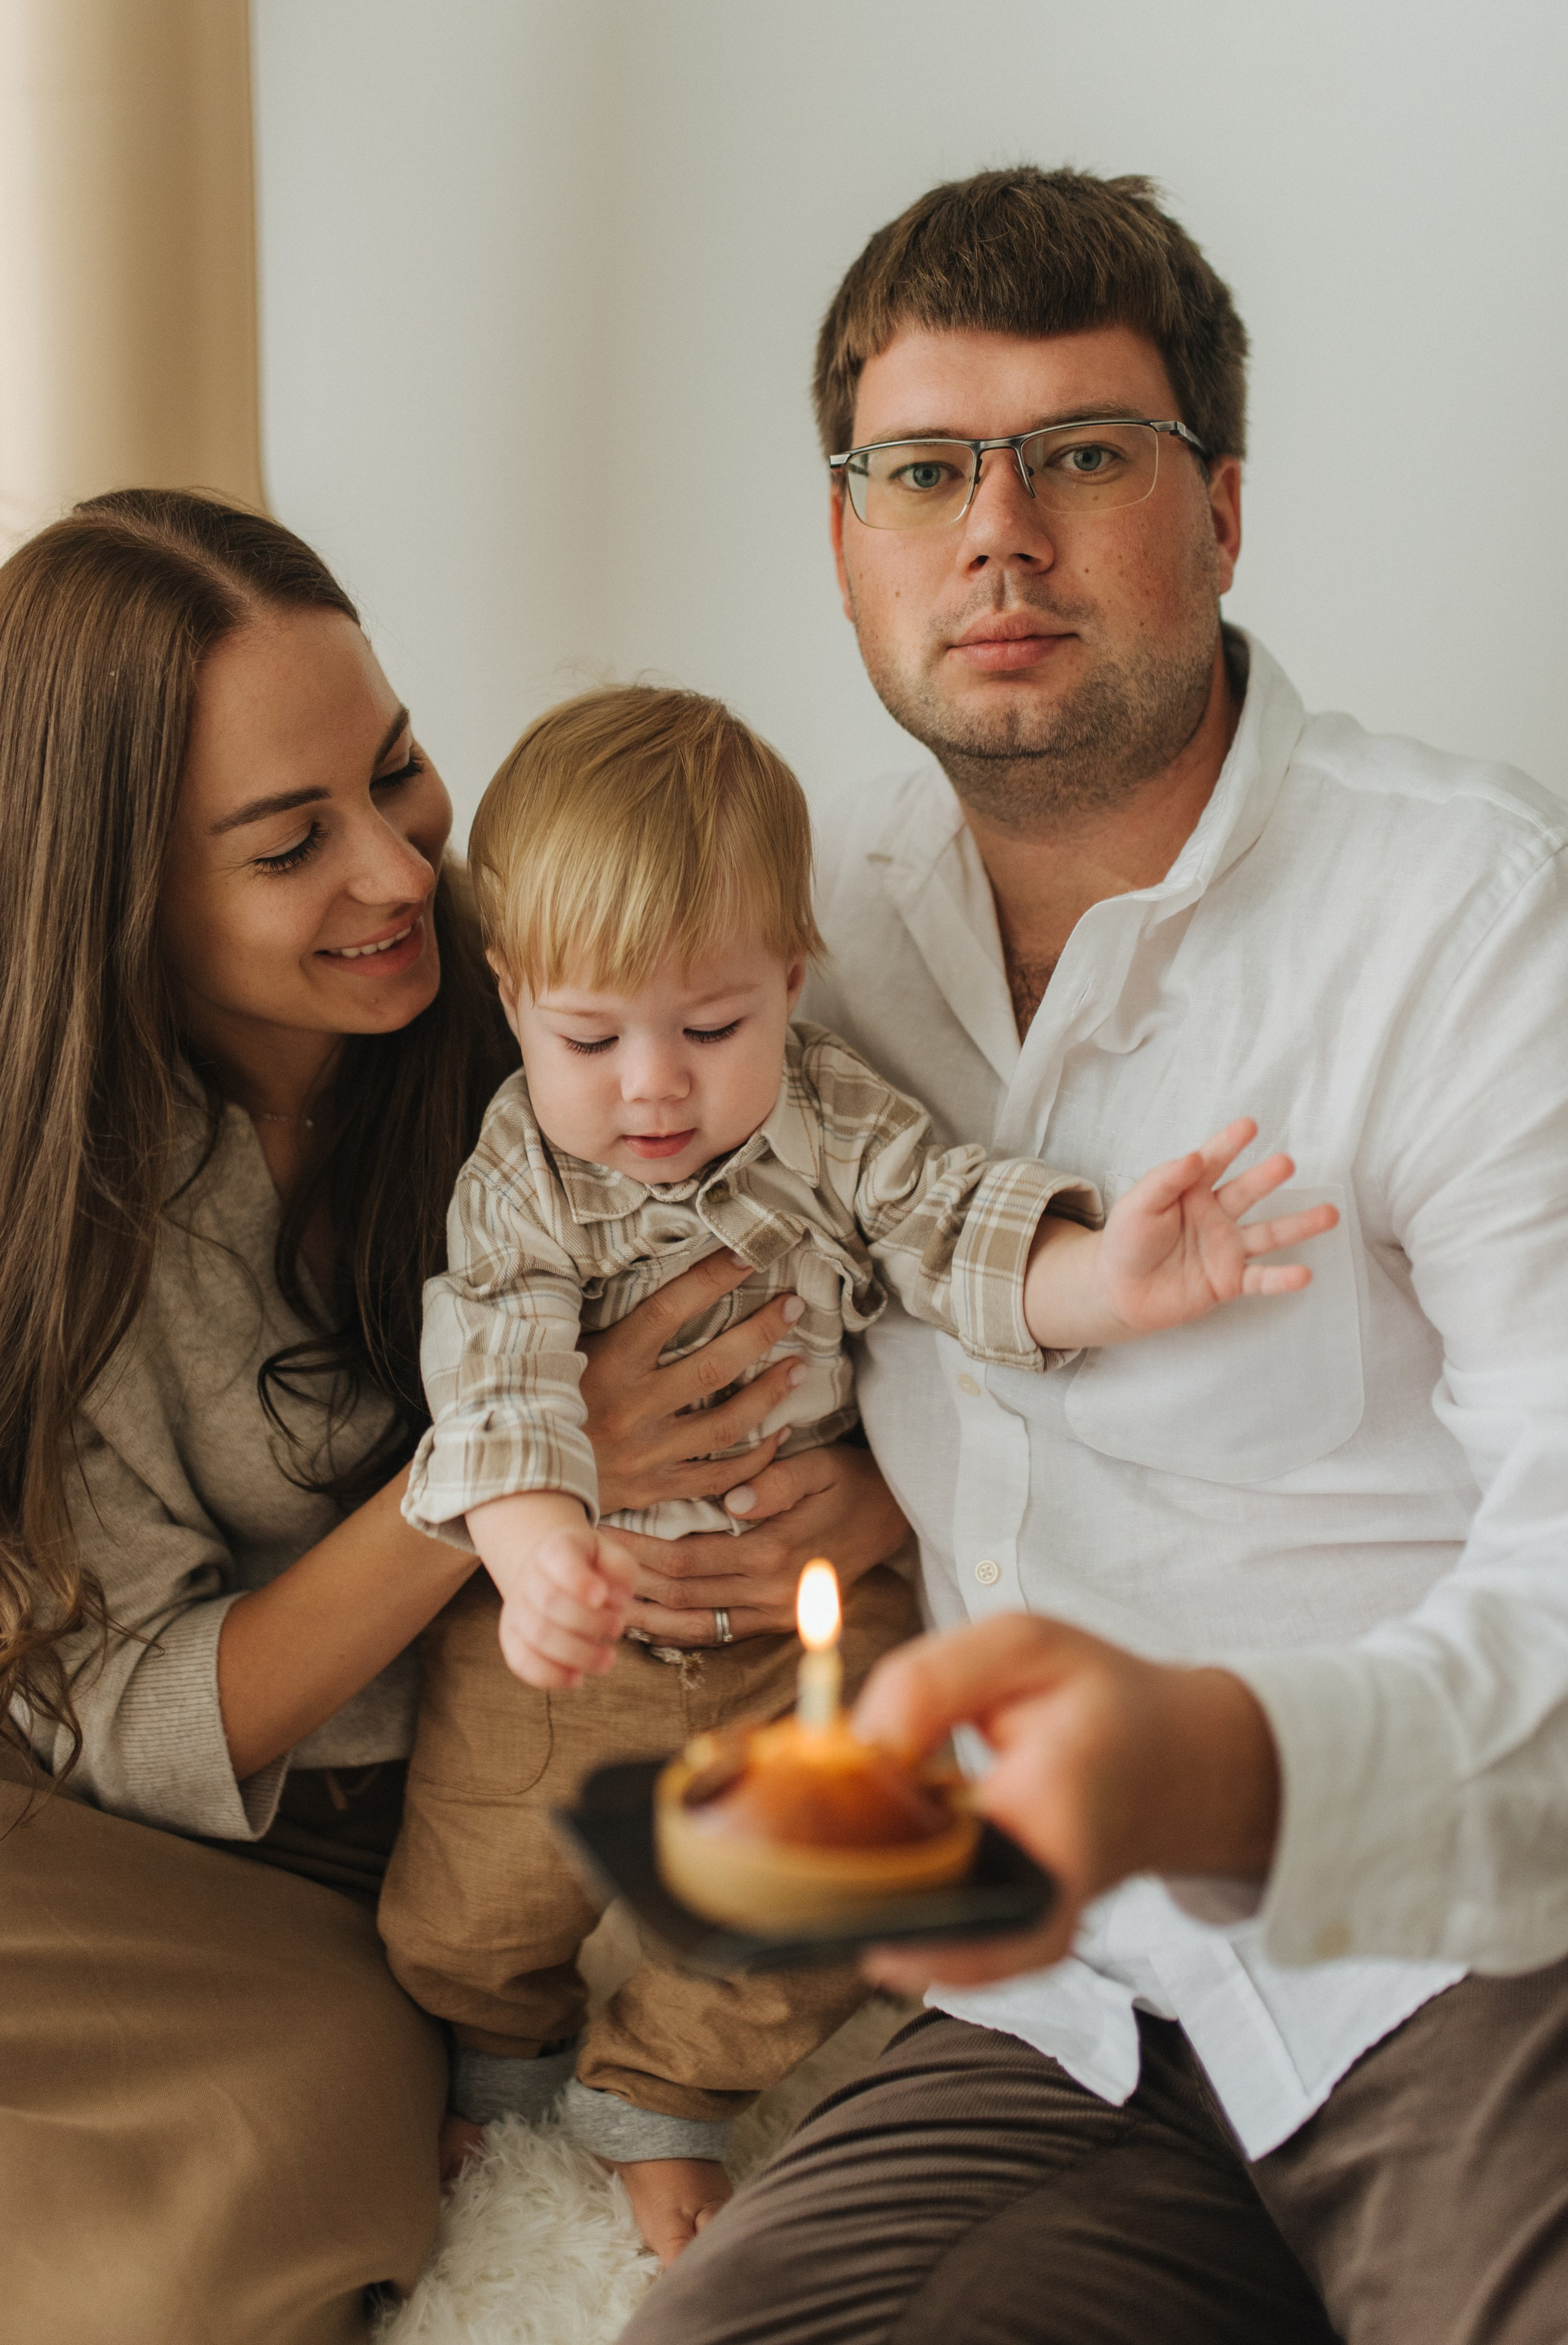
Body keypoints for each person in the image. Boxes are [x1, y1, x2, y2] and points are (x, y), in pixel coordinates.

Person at [621, 167, 1568, 2345]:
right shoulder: (794, 928)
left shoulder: (1473, 915)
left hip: (1464, 1939)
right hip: (1056, 1990)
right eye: (924, 468)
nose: (998, 533)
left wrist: (1217, 1756)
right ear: (843, 535)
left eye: (1082, 458)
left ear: (1223, 516)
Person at [0, 490, 907, 2345]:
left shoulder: (564, 1022)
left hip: (391, 1871)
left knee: (205, 2234)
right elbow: (111, 1707)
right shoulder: (36, 1212)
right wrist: (501, 1470)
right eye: (286, 841)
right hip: (53, 1814)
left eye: (397, 770)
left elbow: (870, 1276)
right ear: (119, 890)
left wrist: (859, 1511)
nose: (401, 871)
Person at [384, 680, 1332, 2261]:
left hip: (795, 1622)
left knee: (838, 1872)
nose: (654, 1088)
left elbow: (953, 1229)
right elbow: (490, 1360)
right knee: (472, 1881)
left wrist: (1110, 1281)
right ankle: (496, 2041)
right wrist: (536, 1544)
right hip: (570, 1614)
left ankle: (666, 2090)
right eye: (589, 1037)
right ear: (508, 998)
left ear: (789, 981)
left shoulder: (830, 1125)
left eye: (710, 1027)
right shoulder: (519, 1173)